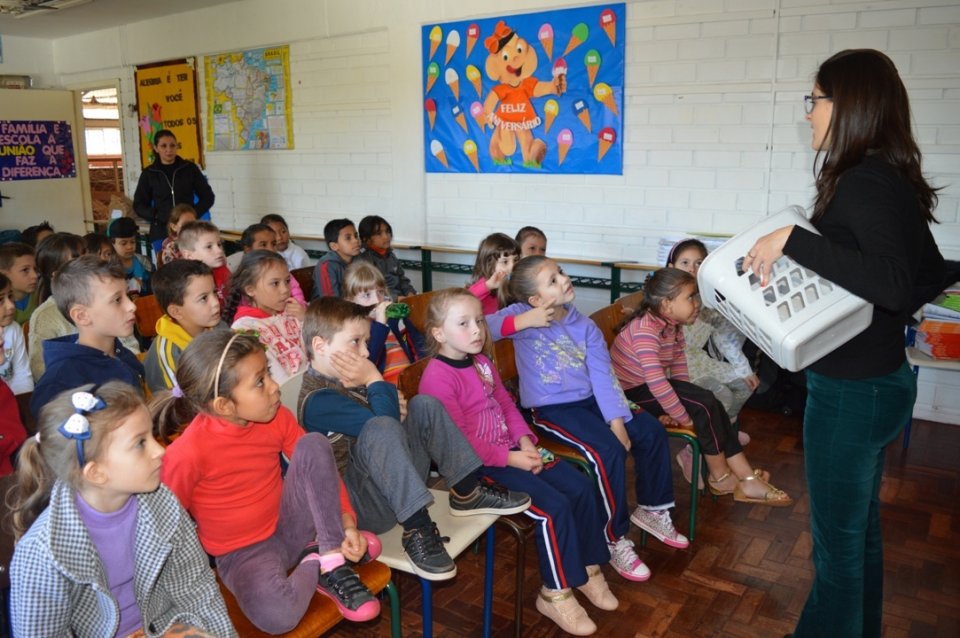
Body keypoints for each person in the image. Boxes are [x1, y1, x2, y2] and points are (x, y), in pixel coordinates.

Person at [741, 49, 945, 638]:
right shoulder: (890, 178)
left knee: (836, 555)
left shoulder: (863, 182)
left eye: (816, 99)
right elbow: (927, 275)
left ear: (849, 104)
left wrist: (793, 240)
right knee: (859, 538)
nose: (809, 114)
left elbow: (895, 281)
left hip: (851, 397)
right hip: (883, 384)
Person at [154, 330, 381, 632]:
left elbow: (317, 466)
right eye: (260, 382)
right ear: (224, 405)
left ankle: (331, 555)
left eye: (269, 374)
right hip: (243, 554)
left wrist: (347, 522)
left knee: (313, 443)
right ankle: (317, 557)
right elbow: (164, 525)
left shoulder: (276, 416)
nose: (275, 388)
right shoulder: (186, 453)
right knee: (277, 617)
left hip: (291, 526)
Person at [421, 288, 616, 636]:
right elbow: (459, 442)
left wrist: (526, 441)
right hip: (480, 468)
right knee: (551, 509)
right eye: (463, 323)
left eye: (479, 320)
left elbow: (507, 406)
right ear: (438, 333)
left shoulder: (481, 362)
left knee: (581, 487)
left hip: (513, 450)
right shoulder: (438, 377)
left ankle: (586, 570)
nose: (477, 330)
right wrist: (512, 458)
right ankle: (554, 594)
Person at [297, 296, 530, 580]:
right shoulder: (319, 400)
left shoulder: (347, 380)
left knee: (424, 405)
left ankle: (467, 491)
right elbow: (386, 425)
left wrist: (385, 400)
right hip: (364, 509)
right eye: (355, 342)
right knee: (381, 426)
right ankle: (417, 529)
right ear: (320, 346)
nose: (366, 353)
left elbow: (394, 418)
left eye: (366, 342)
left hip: (394, 486)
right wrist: (375, 382)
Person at [487, 256, 688, 583]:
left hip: (593, 400)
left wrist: (617, 419)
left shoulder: (585, 326)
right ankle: (614, 537)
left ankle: (652, 509)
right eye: (552, 280)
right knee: (607, 452)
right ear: (535, 300)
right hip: (553, 409)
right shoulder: (521, 315)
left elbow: (602, 375)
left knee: (649, 430)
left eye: (561, 273)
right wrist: (525, 321)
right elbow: (482, 326)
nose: (564, 279)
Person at [8, 381, 236, 637]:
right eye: (140, 443)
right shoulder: (41, 554)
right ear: (96, 473)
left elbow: (196, 588)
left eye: (151, 435)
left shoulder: (162, 502)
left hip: (165, 625)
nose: (160, 450)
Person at [610, 268, 791, 506]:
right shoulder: (645, 331)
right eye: (690, 297)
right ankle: (721, 477)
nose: (697, 303)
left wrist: (687, 394)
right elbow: (654, 382)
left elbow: (677, 362)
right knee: (704, 405)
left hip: (650, 386)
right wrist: (682, 417)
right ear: (666, 305)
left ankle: (744, 475)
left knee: (707, 401)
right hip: (631, 393)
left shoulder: (671, 325)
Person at [666, 239, 755, 478]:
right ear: (671, 265)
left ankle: (726, 431)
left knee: (744, 384)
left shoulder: (706, 297)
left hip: (698, 359)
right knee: (721, 397)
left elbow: (724, 334)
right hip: (676, 366)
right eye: (685, 263)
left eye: (699, 263)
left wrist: (744, 369)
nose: (692, 269)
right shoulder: (665, 299)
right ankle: (691, 451)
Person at [30, 256, 144, 416]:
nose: (132, 306)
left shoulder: (124, 357)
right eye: (117, 300)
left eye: (127, 295)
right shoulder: (59, 383)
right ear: (82, 316)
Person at [224, 250, 306, 385]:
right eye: (275, 283)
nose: (285, 290)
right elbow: (277, 380)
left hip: (309, 384)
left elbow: (314, 349)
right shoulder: (245, 329)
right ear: (250, 290)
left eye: (287, 281)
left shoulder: (292, 311)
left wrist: (304, 319)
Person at [144, 259, 222, 394]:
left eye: (214, 292)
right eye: (204, 298)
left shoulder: (219, 326)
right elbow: (181, 405)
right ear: (176, 312)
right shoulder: (169, 354)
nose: (216, 303)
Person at [133, 129, 215, 254]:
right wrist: (155, 215)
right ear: (156, 148)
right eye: (163, 146)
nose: (169, 150)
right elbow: (138, 204)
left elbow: (208, 197)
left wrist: (192, 214)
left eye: (172, 145)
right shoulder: (149, 173)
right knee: (168, 269)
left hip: (189, 230)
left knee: (191, 266)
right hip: (161, 231)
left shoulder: (189, 168)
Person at [343, 260, 424, 384]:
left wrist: (408, 318)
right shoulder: (354, 331)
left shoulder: (390, 320)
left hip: (408, 380)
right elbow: (368, 363)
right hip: (386, 388)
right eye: (367, 295)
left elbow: (417, 345)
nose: (377, 300)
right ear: (350, 301)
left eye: (380, 292)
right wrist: (380, 324)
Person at [226, 223, 307, 304]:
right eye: (263, 245)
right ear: (248, 250)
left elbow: (297, 295)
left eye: (273, 244)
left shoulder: (282, 272)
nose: (271, 249)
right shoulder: (245, 277)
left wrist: (298, 306)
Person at [355, 215, 417, 299]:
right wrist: (395, 298)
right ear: (366, 239)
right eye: (379, 234)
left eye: (387, 231)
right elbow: (370, 290)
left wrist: (410, 292)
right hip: (382, 303)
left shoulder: (390, 255)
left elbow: (402, 280)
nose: (386, 236)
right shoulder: (363, 260)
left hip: (401, 299)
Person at [177, 220, 230, 305]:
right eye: (209, 246)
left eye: (219, 244)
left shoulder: (222, 269)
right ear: (189, 256)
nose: (219, 250)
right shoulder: (189, 283)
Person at [468, 233, 520, 315]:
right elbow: (466, 298)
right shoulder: (483, 285)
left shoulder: (512, 282)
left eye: (516, 260)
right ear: (489, 264)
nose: (512, 266)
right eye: (505, 262)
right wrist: (488, 286)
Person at [0, 273, 33, 395]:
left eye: (10, 296)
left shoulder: (13, 329)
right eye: (0, 300)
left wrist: (20, 405)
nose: (11, 306)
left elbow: (22, 375)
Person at [313, 218, 361, 299]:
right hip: (327, 309)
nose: (356, 240)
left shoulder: (360, 259)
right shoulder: (326, 266)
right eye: (348, 238)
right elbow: (330, 301)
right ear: (334, 246)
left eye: (356, 236)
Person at [108, 217, 154, 297]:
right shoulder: (109, 267)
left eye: (132, 242)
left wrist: (143, 285)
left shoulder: (144, 262)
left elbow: (154, 287)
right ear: (112, 243)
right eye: (123, 243)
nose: (129, 247)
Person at [0, 242, 39, 326]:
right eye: (25, 270)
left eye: (35, 269)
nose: (35, 276)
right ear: (3, 274)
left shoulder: (40, 296)